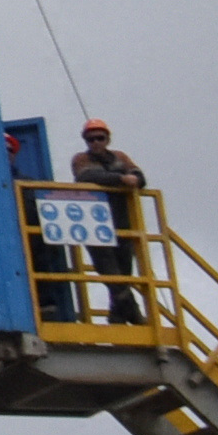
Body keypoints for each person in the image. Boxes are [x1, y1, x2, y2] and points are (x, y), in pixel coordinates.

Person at [68, 119, 150, 322]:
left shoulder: (120, 157)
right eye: (91, 139)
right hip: (95, 223)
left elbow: (139, 176)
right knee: (109, 270)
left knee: (124, 270)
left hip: (122, 222)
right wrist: (121, 179)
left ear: (108, 139)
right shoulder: (80, 159)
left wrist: (133, 178)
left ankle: (117, 315)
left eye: (100, 138)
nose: (95, 142)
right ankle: (134, 313)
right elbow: (86, 176)